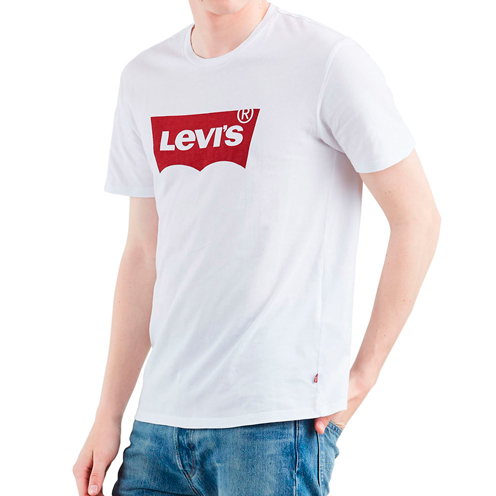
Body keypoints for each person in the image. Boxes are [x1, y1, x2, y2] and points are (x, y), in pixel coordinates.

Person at [73, 1, 441, 495]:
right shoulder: (144, 78)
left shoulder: (327, 61)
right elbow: (143, 254)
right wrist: (108, 414)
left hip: (274, 427)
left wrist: (362, 376)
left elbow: (418, 218)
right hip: (158, 427)